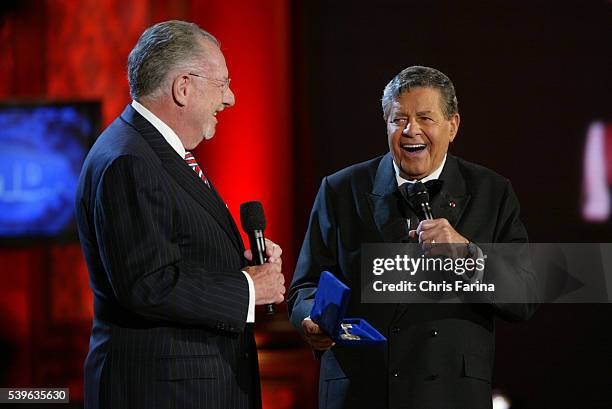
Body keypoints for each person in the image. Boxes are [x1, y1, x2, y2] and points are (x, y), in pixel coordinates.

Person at [288, 66, 538, 409]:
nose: (410, 130)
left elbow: (524, 296)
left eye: (425, 118)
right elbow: (305, 286)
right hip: (361, 391)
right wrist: (309, 320)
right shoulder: (341, 189)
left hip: (451, 394)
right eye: (398, 119)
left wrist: (467, 255)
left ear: (453, 126)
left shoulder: (492, 192)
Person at [75, 20, 285, 409]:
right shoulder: (129, 160)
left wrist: (238, 265)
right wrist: (249, 288)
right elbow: (147, 284)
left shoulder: (152, 151)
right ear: (183, 87)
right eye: (222, 84)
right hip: (164, 393)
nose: (231, 99)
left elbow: (174, 255)